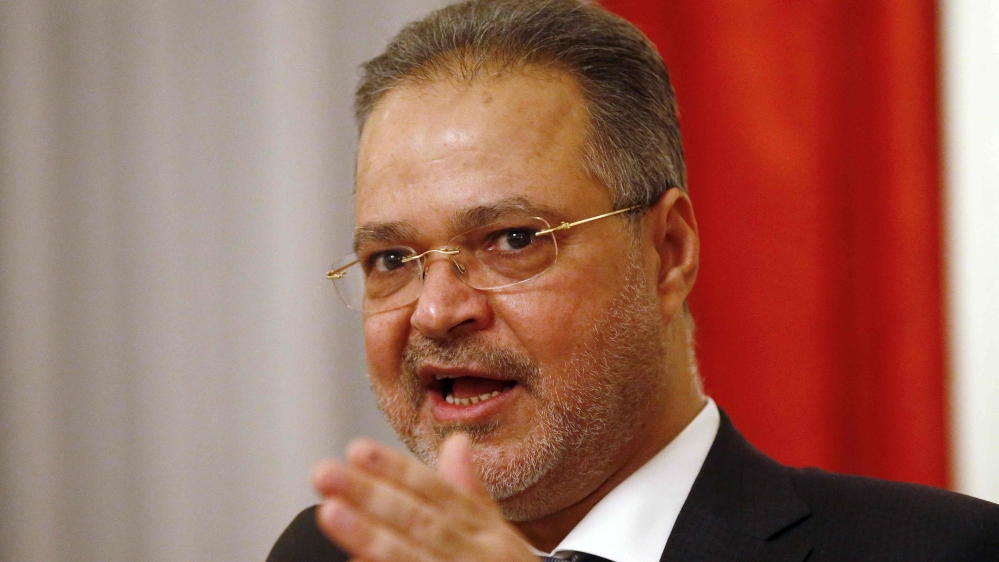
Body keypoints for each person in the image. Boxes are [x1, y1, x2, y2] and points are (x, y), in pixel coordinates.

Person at [267, 1, 999, 560]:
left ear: (666, 252)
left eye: (512, 240)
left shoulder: (941, 550)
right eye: (392, 260)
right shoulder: (333, 552)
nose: (434, 310)